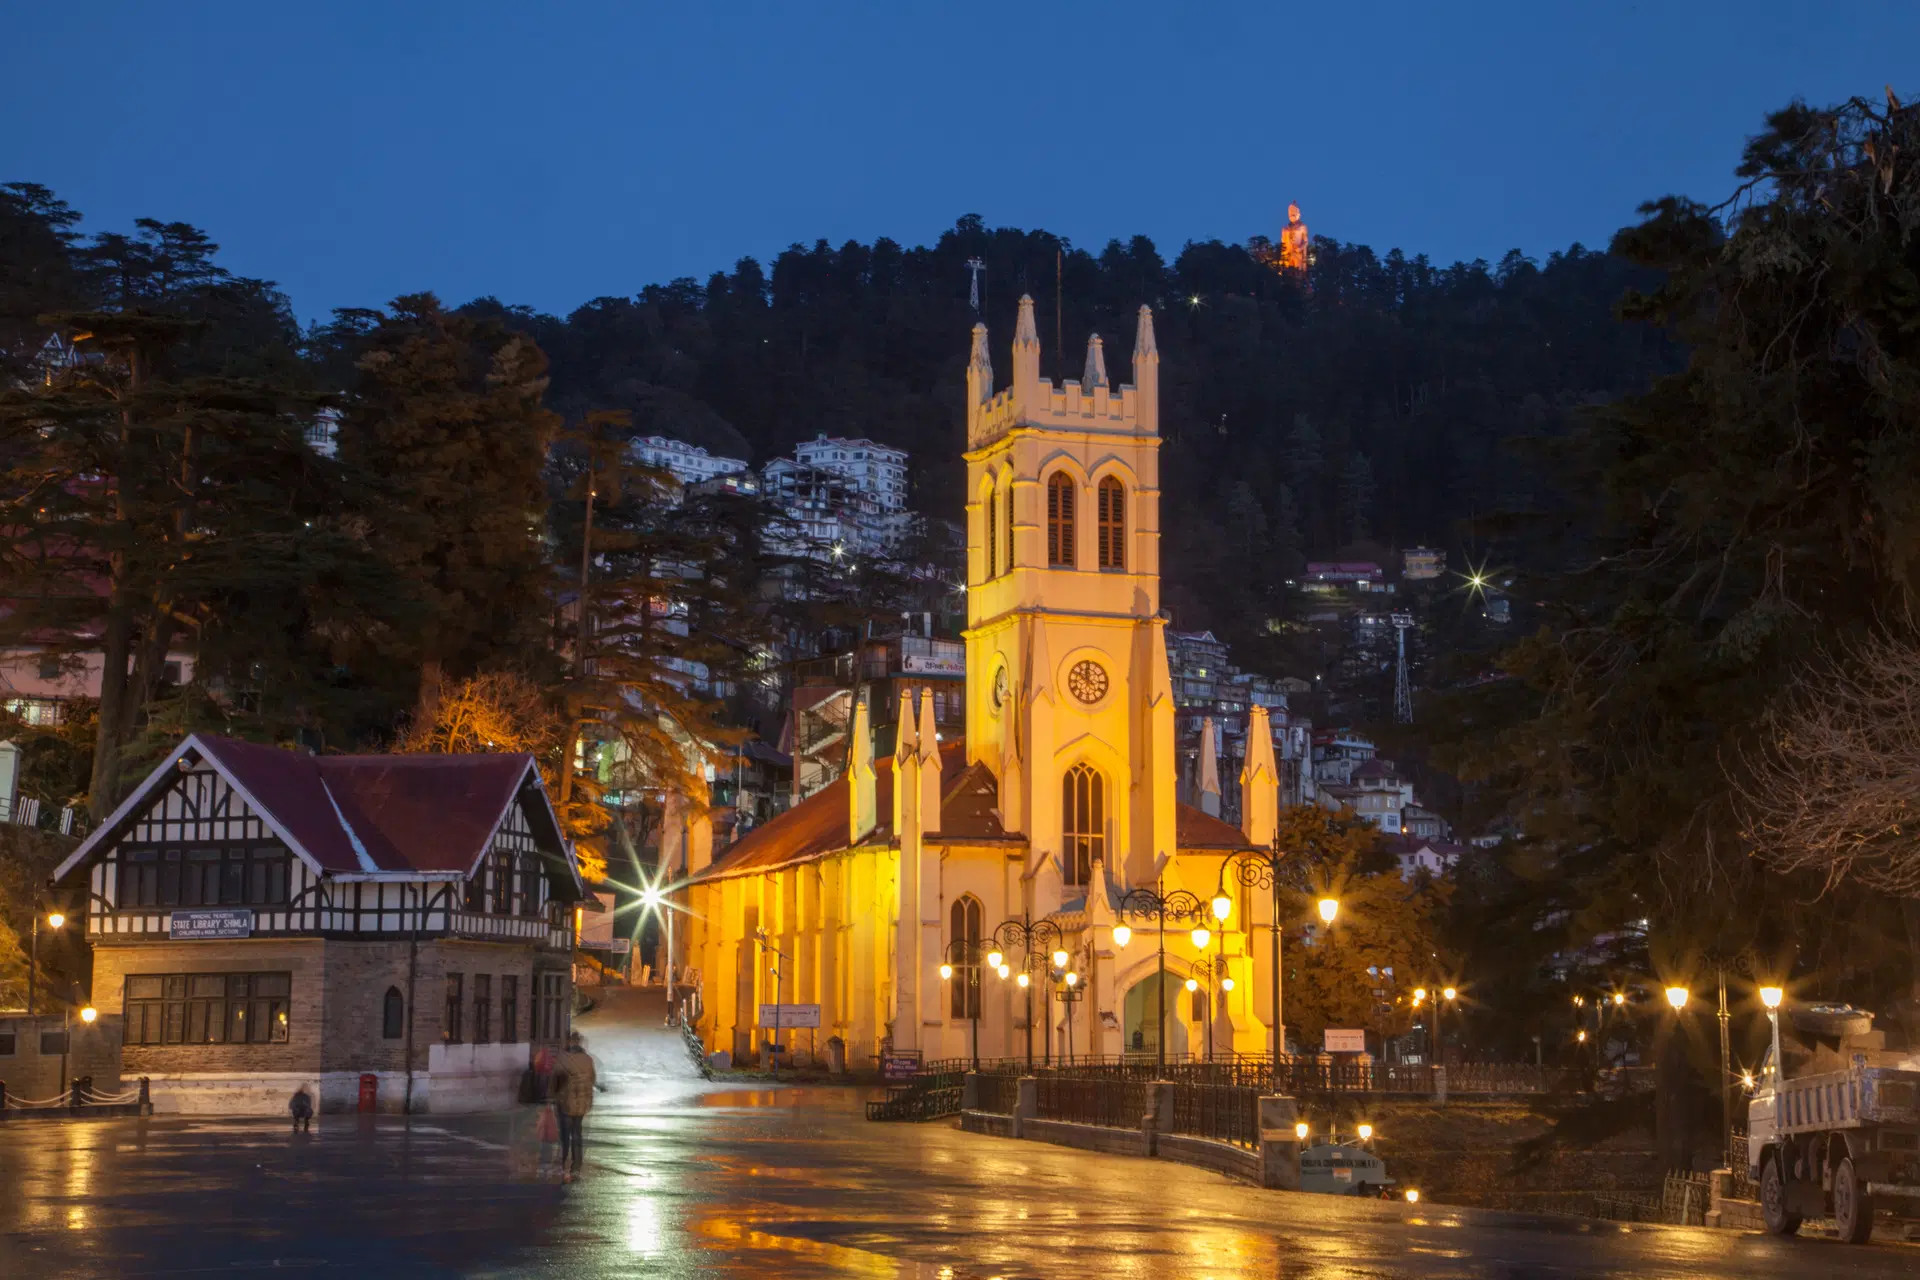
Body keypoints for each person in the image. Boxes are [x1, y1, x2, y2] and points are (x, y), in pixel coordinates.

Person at [550, 1031, 597, 1183]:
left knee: (565, 1135)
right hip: (583, 1103)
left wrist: (552, 1096)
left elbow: (555, 1081)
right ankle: (576, 1165)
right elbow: (592, 1079)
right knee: (577, 1133)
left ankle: (564, 1164)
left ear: (569, 1042)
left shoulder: (562, 1059)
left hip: (566, 1102)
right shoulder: (588, 1060)